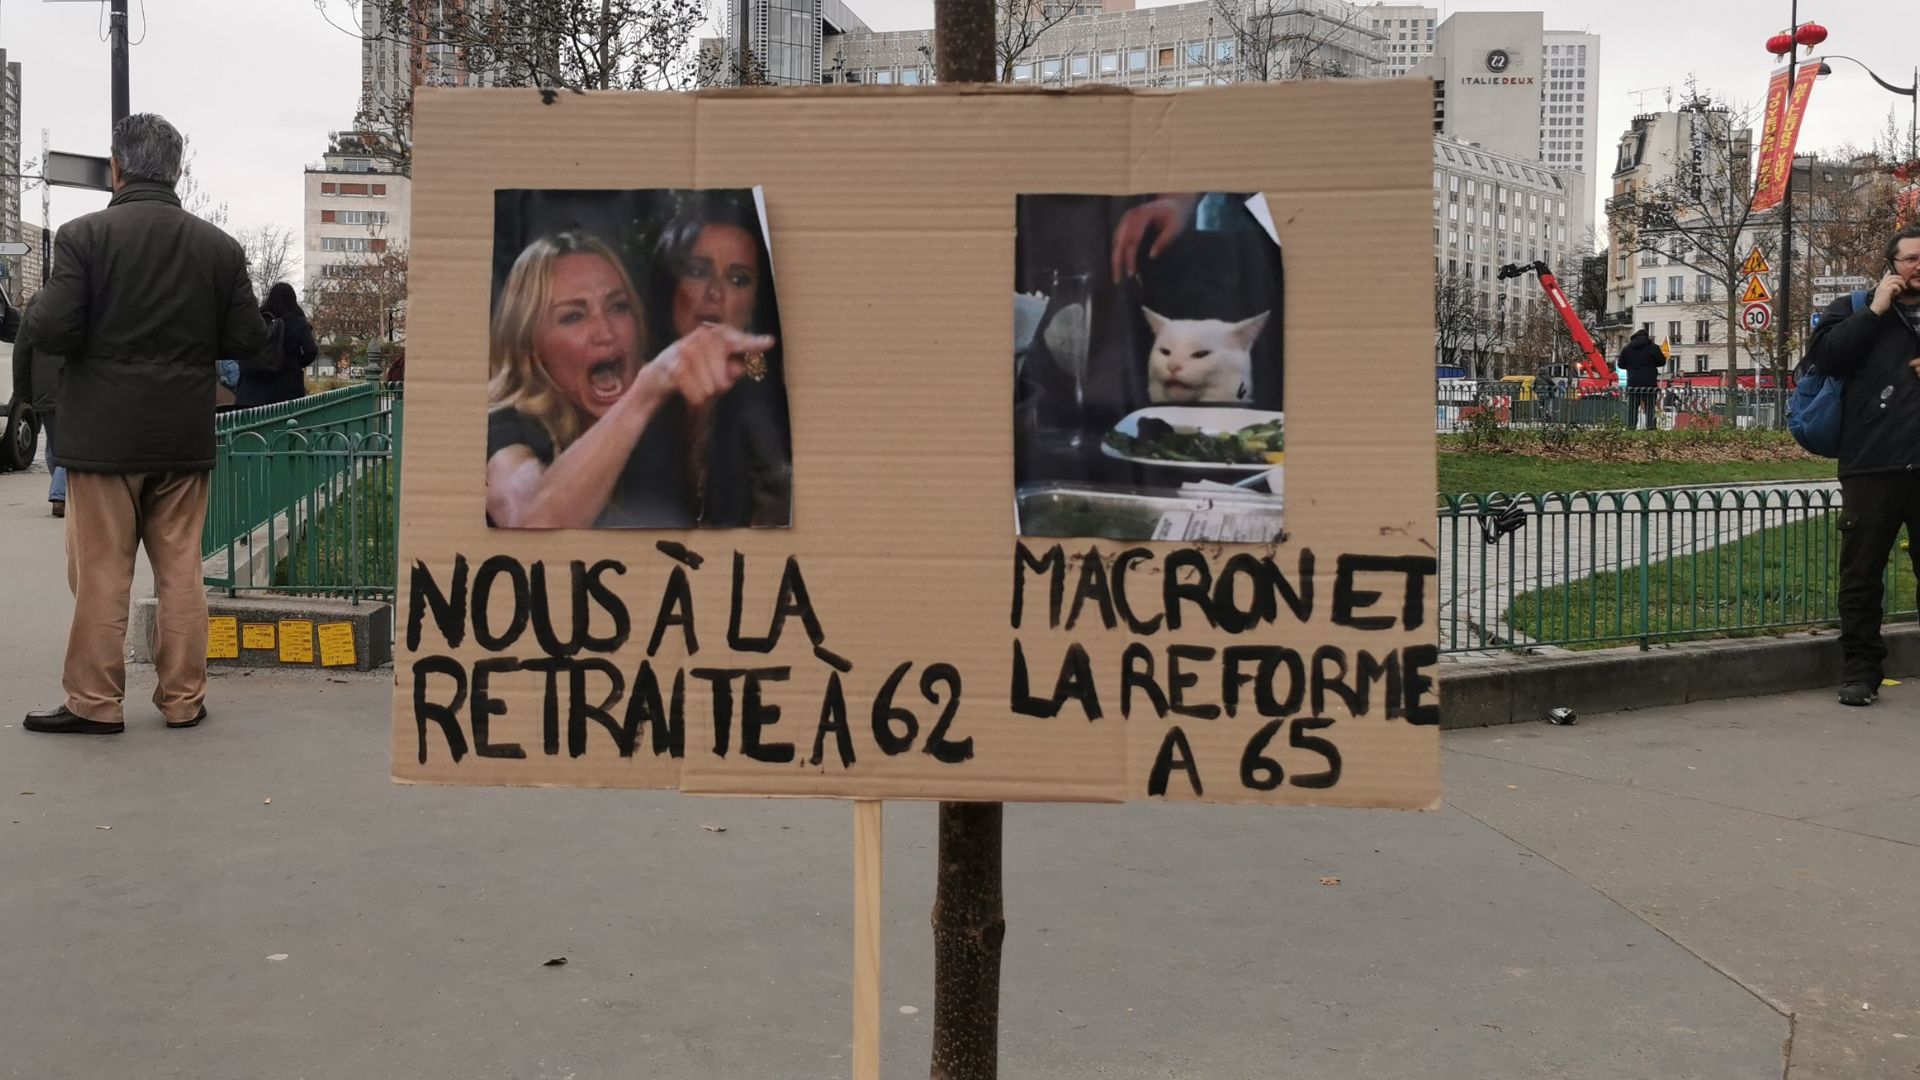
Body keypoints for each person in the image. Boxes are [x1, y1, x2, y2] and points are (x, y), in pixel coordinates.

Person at [23, 113, 267, 735]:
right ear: (177, 169)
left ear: (117, 167)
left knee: (103, 574)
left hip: (103, 441)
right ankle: (184, 699)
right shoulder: (218, 248)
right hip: (182, 437)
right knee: (181, 571)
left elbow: (49, 328)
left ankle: (95, 704)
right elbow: (248, 341)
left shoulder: (84, 237)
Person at [485, 230, 772, 529]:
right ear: (531, 347)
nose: (607, 333)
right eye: (573, 317)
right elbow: (529, 524)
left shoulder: (673, 410)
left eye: (618, 307)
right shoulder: (504, 425)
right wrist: (645, 391)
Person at [1803, 224, 1920, 707]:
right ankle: (1860, 671)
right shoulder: (1854, 308)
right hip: (1872, 462)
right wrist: (1874, 311)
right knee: (1861, 574)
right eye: (1911, 259)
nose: (1919, 267)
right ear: (1892, 264)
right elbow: (1826, 358)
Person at [645, 195, 792, 527]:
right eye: (698, 271)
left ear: (754, 303)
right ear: (669, 285)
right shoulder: (629, 384)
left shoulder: (768, 409)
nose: (716, 292)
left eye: (738, 279)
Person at [11, 294, 66, 516]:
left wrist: (23, 392)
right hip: (80, 387)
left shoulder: (38, 302)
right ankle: (61, 493)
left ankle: (61, 492)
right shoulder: (93, 295)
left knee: (55, 446)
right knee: (71, 446)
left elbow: (22, 349)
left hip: (45, 390)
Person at [233, 281, 318, 408]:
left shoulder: (258, 318)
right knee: (284, 426)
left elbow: (241, 345)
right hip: (286, 388)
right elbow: (310, 350)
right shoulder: (297, 322)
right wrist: (295, 362)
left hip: (251, 389)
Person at [1617, 329, 1664, 429]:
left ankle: (1631, 427)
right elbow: (1662, 362)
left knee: (1632, 407)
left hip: (1633, 382)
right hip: (1649, 382)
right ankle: (1651, 427)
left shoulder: (1627, 348)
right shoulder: (1653, 347)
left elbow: (1620, 364)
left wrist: (1631, 367)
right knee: (1650, 407)